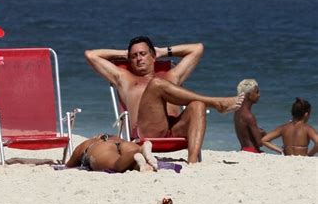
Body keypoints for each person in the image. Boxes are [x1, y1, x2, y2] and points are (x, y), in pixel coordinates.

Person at [85, 36, 244, 163]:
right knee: (156, 84)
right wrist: (124, 54)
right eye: (133, 56)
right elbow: (91, 55)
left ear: (153, 56)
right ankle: (216, 103)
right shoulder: (124, 79)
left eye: (143, 54)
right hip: (145, 132)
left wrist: (163, 51)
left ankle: (193, 162)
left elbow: (197, 49)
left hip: (174, 129)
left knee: (197, 105)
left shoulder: (171, 76)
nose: (139, 59)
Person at [66, 134, 157, 172]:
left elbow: (69, 165)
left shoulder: (90, 142)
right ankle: (139, 154)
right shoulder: (116, 138)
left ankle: (138, 152)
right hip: (126, 144)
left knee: (115, 164)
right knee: (131, 163)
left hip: (102, 148)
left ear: (98, 136)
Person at [234, 79, 266, 153]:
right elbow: (260, 143)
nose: (259, 95)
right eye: (257, 92)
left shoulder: (237, 111)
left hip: (244, 149)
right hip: (252, 150)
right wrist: (263, 133)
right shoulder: (249, 116)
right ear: (248, 95)